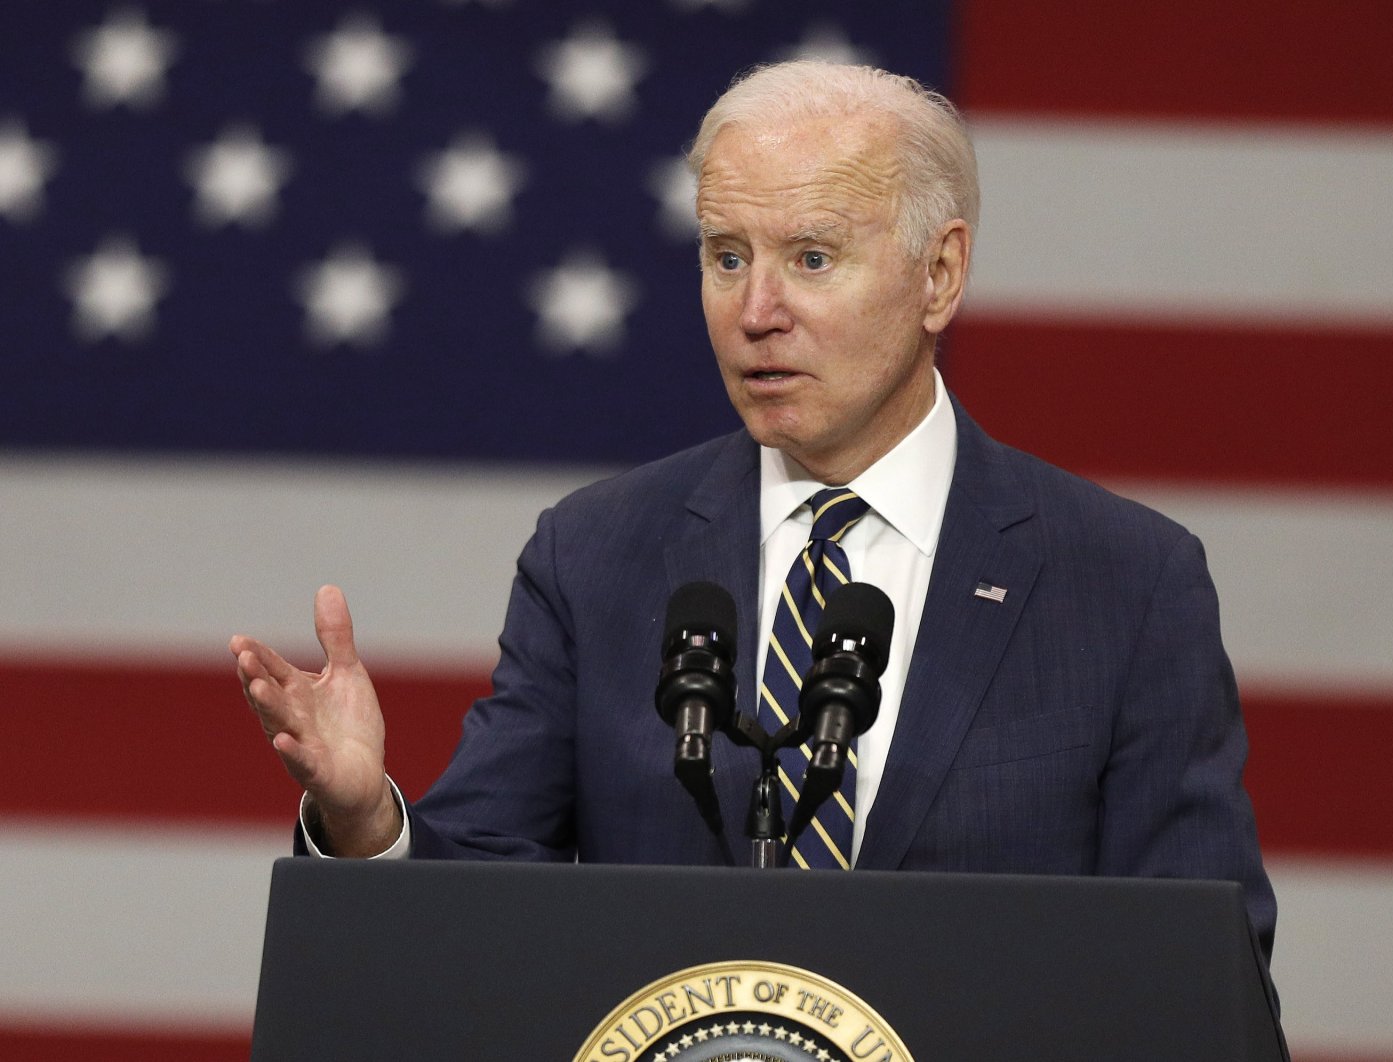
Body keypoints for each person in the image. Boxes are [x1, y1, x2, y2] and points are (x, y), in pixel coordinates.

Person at [231, 60, 1276, 956]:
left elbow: (1195, 972)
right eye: (727, 257)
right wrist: (368, 822)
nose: (756, 312)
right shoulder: (597, 557)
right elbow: (482, 916)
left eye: (811, 259)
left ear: (939, 275)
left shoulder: (1124, 585)